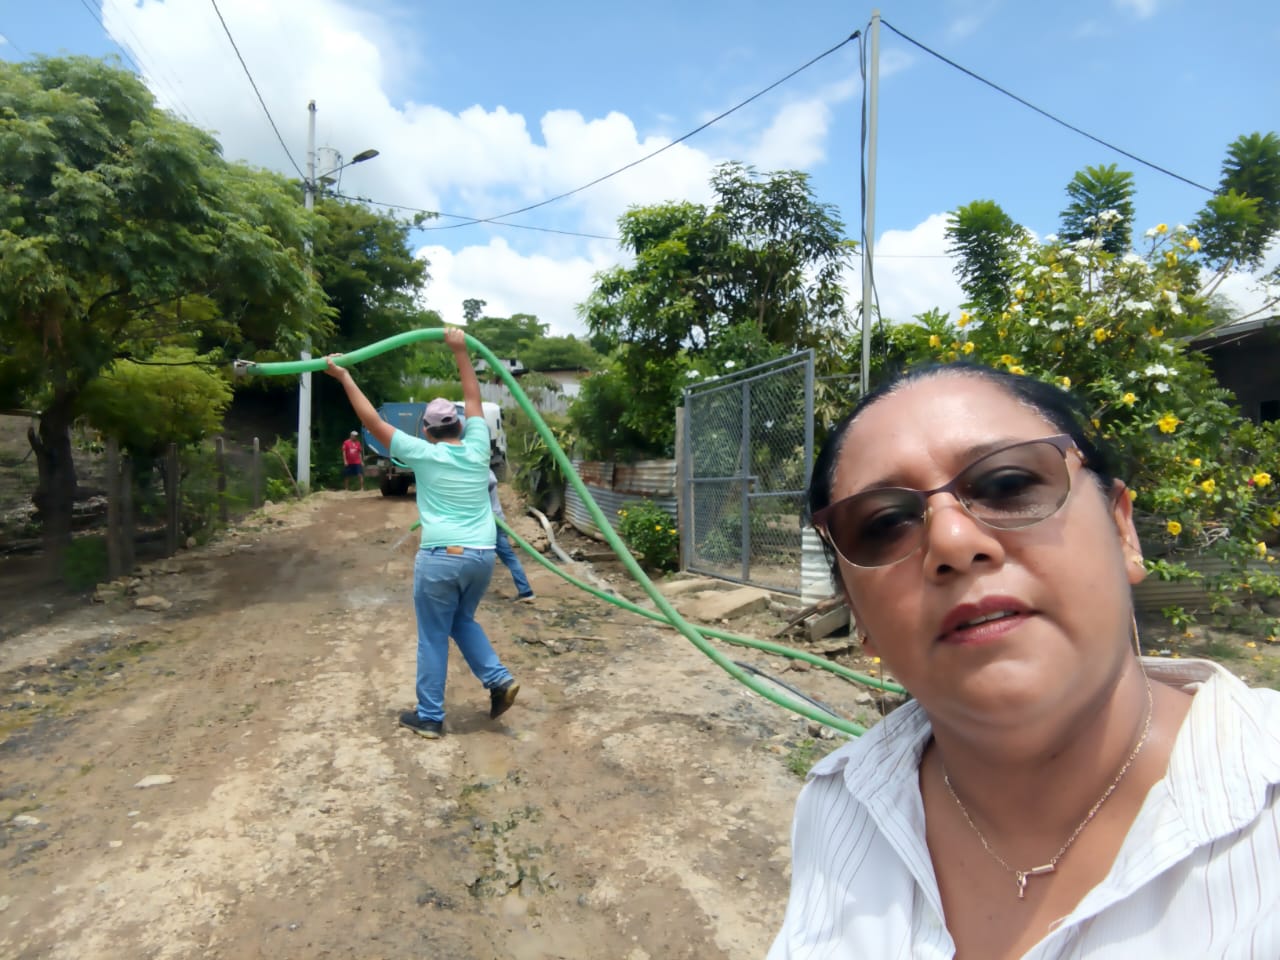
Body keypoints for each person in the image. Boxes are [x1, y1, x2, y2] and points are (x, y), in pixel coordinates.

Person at [768, 362, 1280, 959]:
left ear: (1123, 531)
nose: (953, 543)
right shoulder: (837, 806)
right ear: (858, 615)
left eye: (1008, 483)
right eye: (884, 523)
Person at [323, 328, 519, 740]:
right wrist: (460, 350)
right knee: (461, 620)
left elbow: (371, 421)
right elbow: (473, 398)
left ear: (427, 431)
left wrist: (344, 377)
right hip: (482, 555)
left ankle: (430, 716)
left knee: (433, 635)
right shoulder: (478, 446)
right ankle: (499, 680)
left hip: (442, 556)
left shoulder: (422, 454)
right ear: (460, 427)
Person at [489, 469, 535, 602]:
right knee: (509, 557)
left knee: (468, 553)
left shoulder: (478, 474)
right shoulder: (488, 472)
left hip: (487, 521)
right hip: (497, 520)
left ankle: (464, 591)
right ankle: (525, 591)